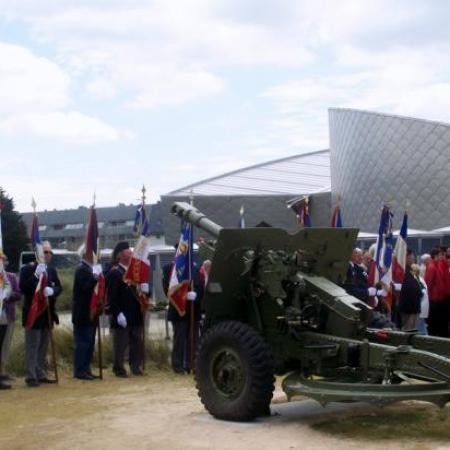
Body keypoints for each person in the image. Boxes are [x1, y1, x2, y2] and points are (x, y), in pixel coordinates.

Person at [20, 241, 62, 387]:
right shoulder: (27, 269)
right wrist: (37, 275)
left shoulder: (51, 270)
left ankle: (40, 372)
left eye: (50, 252)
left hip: (47, 313)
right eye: (45, 252)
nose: (48, 255)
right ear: (37, 253)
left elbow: (59, 288)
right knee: (32, 345)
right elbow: (24, 288)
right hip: (33, 313)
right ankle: (31, 376)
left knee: (43, 345)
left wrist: (53, 291)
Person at [107, 241, 148, 377]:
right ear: (120, 255)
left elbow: (140, 294)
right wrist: (118, 314)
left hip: (135, 313)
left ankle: (135, 367)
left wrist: (146, 291)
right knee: (120, 344)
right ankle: (118, 369)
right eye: (127, 251)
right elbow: (112, 298)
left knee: (136, 342)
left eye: (130, 251)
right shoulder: (115, 273)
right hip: (122, 314)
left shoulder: (134, 273)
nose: (130, 253)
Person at [71, 248, 103, 380]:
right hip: (83, 313)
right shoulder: (81, 269)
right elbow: (86, 287)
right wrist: (95, 277)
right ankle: (79, 370)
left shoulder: (89, 269)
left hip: (92, 312)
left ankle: (86, 368)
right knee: (83, 343)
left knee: (89, 343)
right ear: (86, 253)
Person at [0, 253, 21, 387]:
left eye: (3, 260)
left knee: (5, 345)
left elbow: (18, 293)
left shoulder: (11, 277)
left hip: (8, 315)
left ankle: (3, 370)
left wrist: (7, 297)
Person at [425, 247, 449, 337]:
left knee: (438, 322)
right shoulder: (432, 267)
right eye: (440, 255)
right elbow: (428, 284)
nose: (442, 257)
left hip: (439, 299)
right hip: (435, 300)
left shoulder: (436, 265)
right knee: (434, 323)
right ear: (435, 256)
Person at [398, 250, 422, 331]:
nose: (413, 259)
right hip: (408, 308)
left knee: (413, 330)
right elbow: (408, 288)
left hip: (414, 307)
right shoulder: (402, 270)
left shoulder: (410, 270)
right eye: (411, 258)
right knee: (407, 330)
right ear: (406, 257)